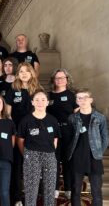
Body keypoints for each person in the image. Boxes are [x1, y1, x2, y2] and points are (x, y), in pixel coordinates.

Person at [4, 62, 43, 206]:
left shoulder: (38, 90)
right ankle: (17, 198)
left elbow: (42, 112)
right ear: (18, 74)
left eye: (27, 71)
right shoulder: (13, 89)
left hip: (34, 133)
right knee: (17, 166)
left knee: (33, 166)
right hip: (17, 132)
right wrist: (13, 131)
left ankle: (31, 198)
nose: (24, 73)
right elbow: (7, 114)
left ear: (32, 73)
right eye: (21, 71)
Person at [17, 90, 60, 206]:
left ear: (47, 102)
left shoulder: (53, 120)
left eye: (43, 100)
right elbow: (20, 140)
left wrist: (50, 151)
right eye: (37, 100)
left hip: (50, 156)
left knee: (49, 188)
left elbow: (55, 139)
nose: (40, 102)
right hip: (31, 155)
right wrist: (27, 154)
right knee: (31, 189)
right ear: (32, 102)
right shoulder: (26, 120)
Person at [68, 88, 109, 206]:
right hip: (77, 157)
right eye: (79, 98)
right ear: (77, 101)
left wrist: (99, 152)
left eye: (85, 97)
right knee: (75, 190)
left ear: (91, 100)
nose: (82, 100)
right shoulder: (72, 118)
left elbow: (105, 138)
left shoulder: (100, 118)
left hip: (94, 158)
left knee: (96, 191)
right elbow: (69, 138)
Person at [47, 69, 79, 199]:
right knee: (53, 160)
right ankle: (54, 188)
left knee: (67, 160)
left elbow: (77, 115)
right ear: (53, 80)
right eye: (57, 78)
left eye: (62, 77)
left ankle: (68, 188)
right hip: (52, 132)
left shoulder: (72, 95)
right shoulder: (49, 96)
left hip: (68, 131)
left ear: (67, 79)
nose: (59, 80)